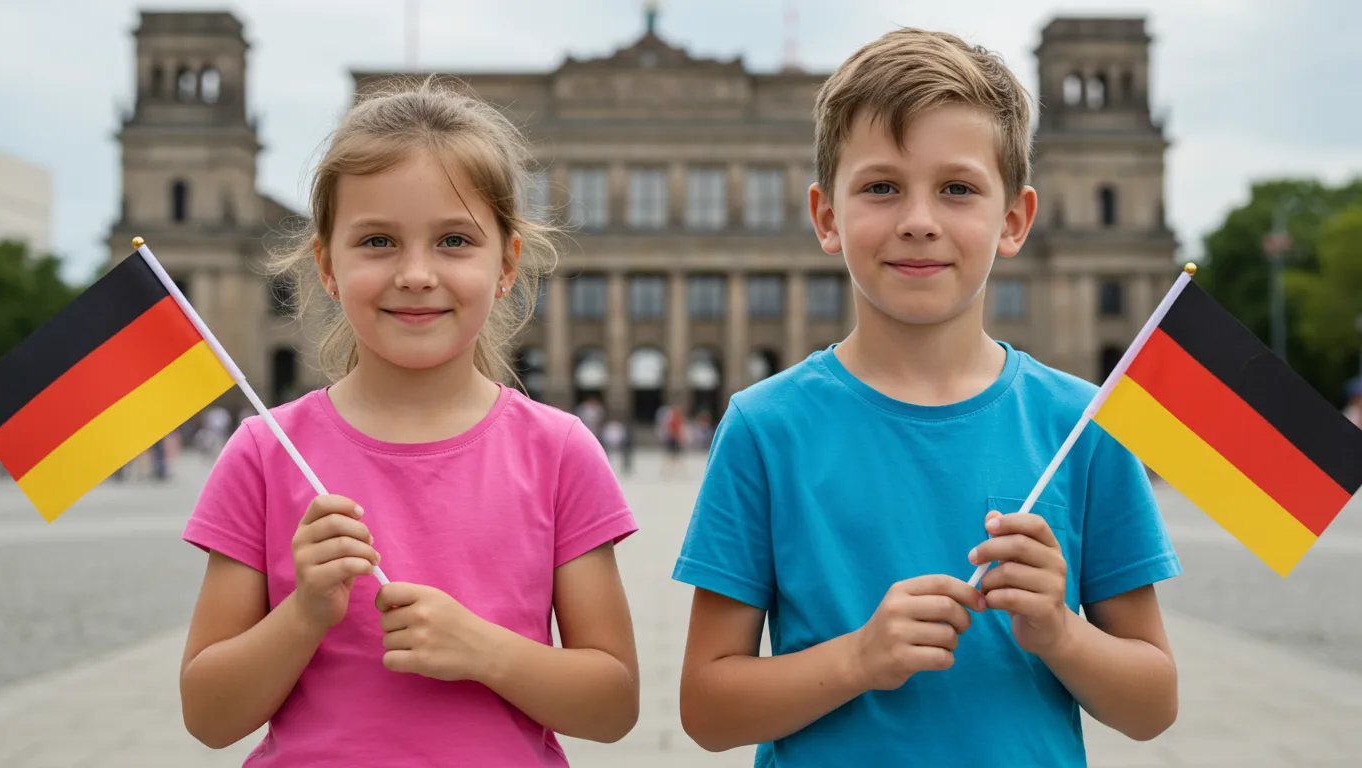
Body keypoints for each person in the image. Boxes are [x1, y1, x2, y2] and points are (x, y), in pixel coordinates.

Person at [673, 28, 1181, 766]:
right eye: (881, 187)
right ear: (825, 217)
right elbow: (707, 710)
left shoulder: (1084, 425)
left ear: (1014, 221)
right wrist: (859, 659)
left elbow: (1153, 707)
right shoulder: (765, 427)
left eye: (958, 188)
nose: (919, 219)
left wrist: (1058, 633)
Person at [178, 78, 641, 766]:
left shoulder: (558, 450)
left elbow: (612, 706)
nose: (417, 273)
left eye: (454, 240)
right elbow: (210, 717)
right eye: (378, 242)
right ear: (328, 266)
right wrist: (305, 612)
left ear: (507, 264)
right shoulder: (265, 452)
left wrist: (483, 650)